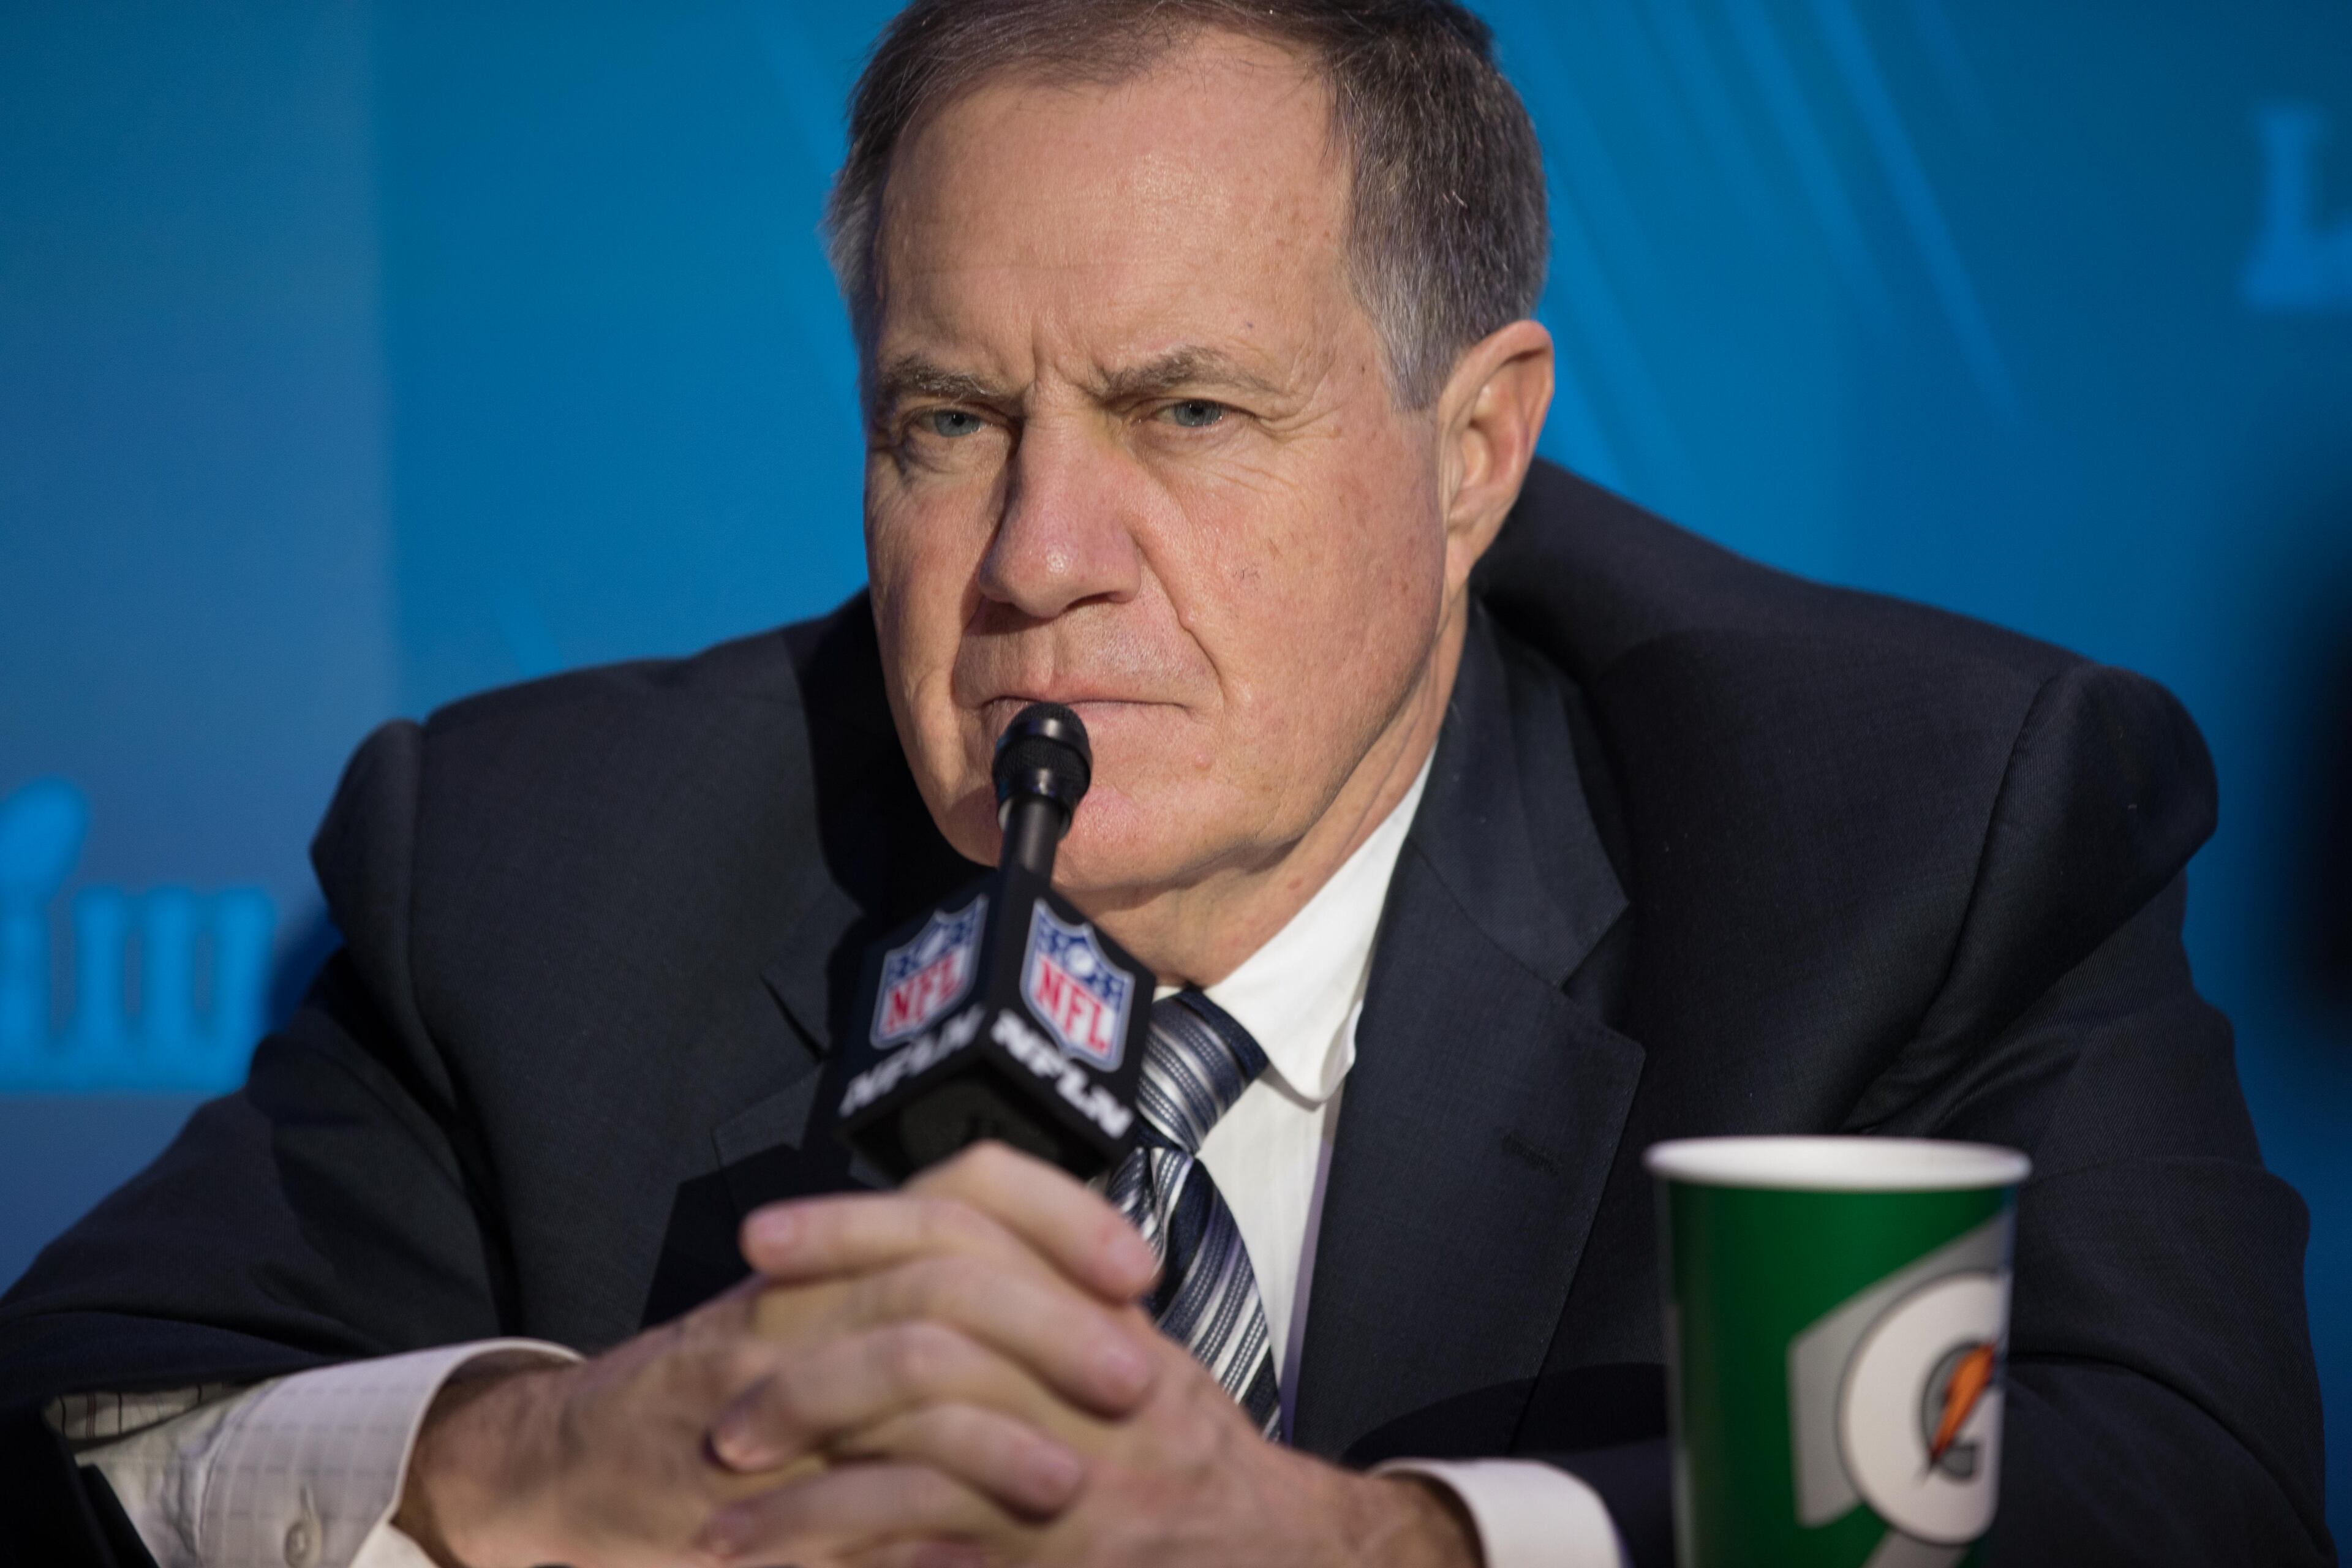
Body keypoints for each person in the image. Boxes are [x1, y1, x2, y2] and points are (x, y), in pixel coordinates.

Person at [1, 2, 2332, 1564]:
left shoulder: (1900, 837)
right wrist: (529, 1470)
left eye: (1186, 415)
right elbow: (86, 1419)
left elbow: (2173, 1493)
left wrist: (1373, 1543)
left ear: (1474, 451)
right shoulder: (543, 866)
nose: (1034, 563)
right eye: (950, 424)